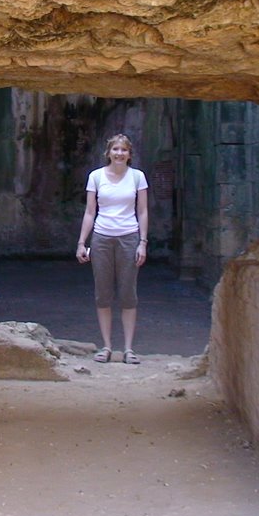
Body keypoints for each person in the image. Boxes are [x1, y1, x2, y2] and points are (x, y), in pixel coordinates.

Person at [76, 134, 149, 364]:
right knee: (103, 294)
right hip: (102, 238)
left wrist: (143, 242)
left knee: (128, 294)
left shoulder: (137, 177)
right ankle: (106, 346)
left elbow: (143, 211)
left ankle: (128, 349)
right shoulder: (96, 177)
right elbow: (90, 211)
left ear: (129, 154)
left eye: (124, 150)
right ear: (108, 153)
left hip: (129, 236)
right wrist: (81, 242)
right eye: (115, 149)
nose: (119, 153)